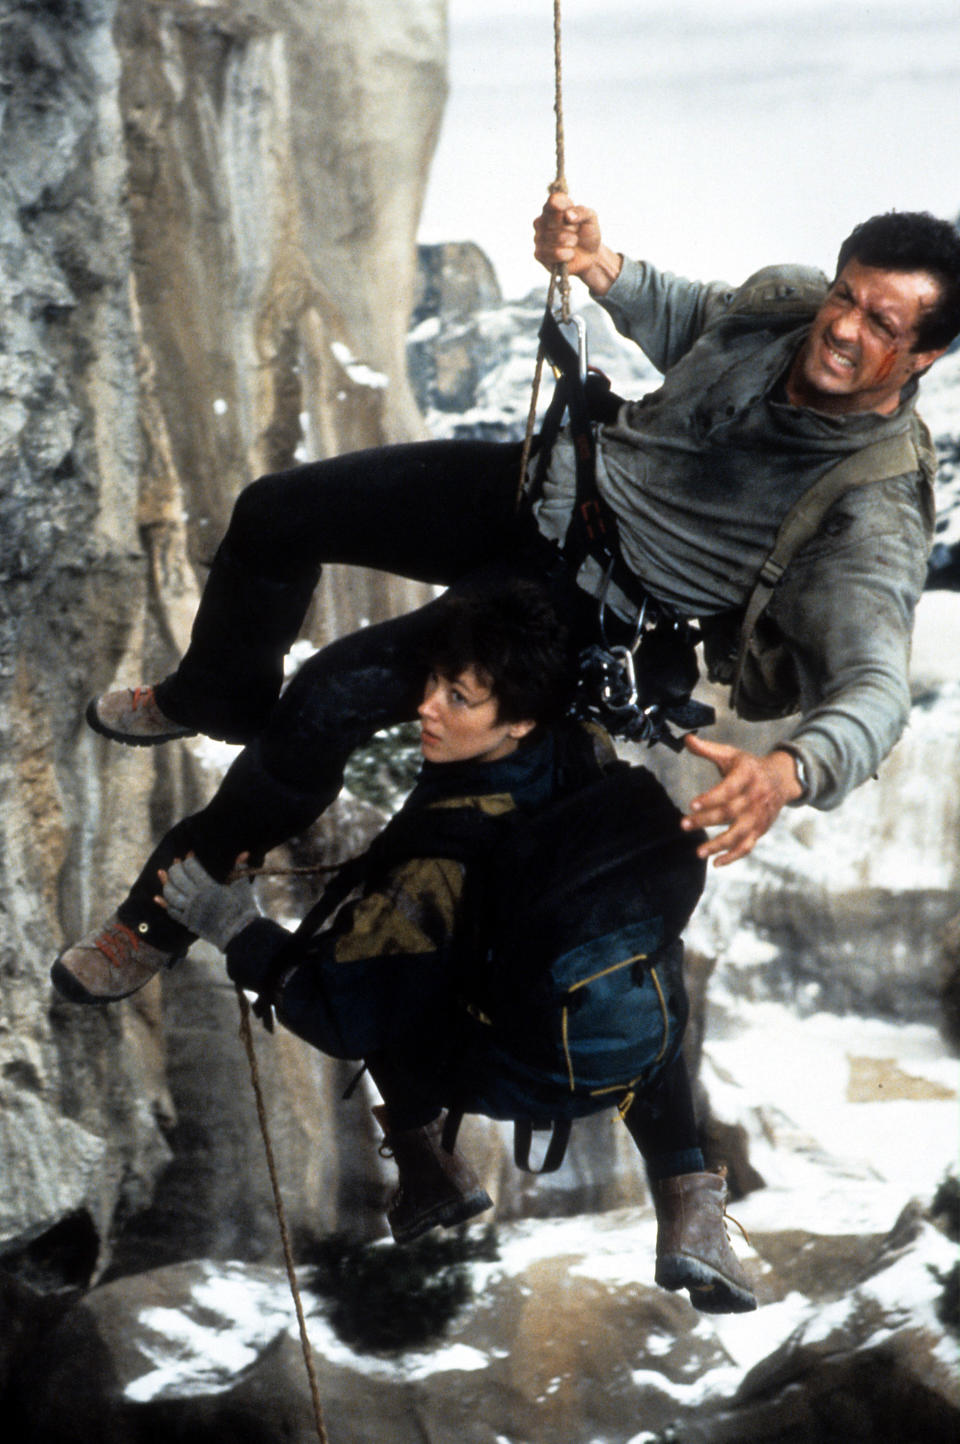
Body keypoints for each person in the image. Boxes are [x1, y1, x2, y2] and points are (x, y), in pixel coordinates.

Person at [154, 578, 755, 1311]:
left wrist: (234, 928)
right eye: (433, 682)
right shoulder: (586, 752)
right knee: (629, 979)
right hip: (641, 1041)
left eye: (459, 698)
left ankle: (431, 1171)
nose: (426, 707)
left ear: (519, 722)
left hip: (529, 1069)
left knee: (386, 998)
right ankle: (692, 1216)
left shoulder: (439, 861)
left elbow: (343, 1016)